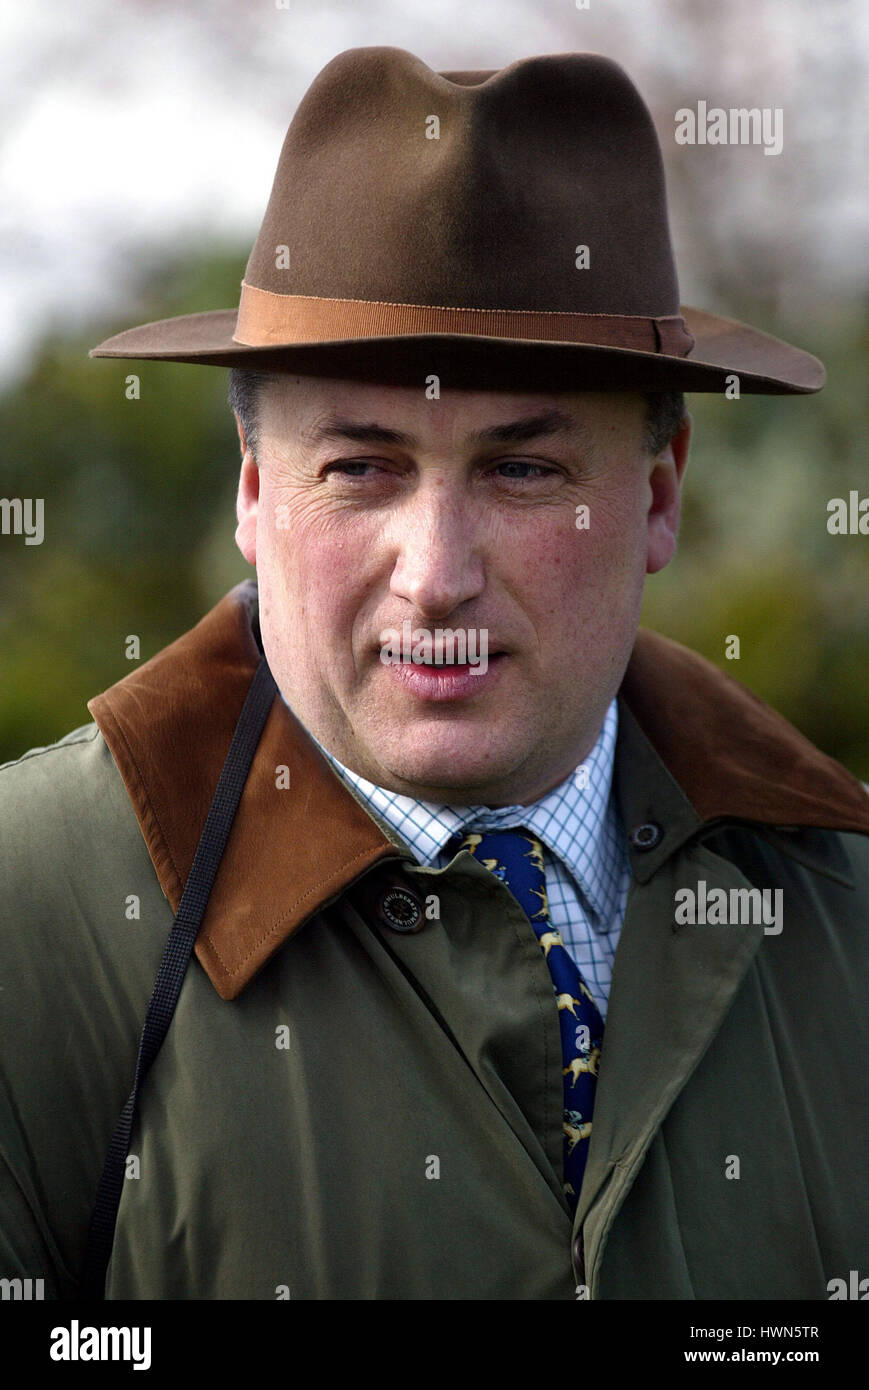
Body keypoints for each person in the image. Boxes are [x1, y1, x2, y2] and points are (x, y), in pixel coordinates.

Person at [1, 45, 867, 1303]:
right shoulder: (28, 915)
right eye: (361, 469)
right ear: (255, 491)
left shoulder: (840, 903)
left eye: (522, 471)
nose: (436, 574)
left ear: (656, 497)